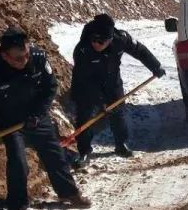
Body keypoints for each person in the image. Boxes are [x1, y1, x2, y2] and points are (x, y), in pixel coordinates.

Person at [0, 26, 89, 210]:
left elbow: (50, 87)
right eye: (18, 58)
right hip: (10, 121)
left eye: (26, 55)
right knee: (18, 161)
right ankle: (17, 205)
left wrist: (38, 114)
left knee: (54, 154)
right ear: (4, 55)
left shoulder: (38, 57)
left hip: (36, 116)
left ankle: (70, 193)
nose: (25, 60)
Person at [70, 13, 166, 167]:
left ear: (110, 39)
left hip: (111, 80)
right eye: (94, 39)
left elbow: (140, 50)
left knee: (117, 111)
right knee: (84, 116)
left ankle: (120, 144)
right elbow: (85, 80)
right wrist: (100, 101)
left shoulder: (121, 38)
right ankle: (84, 151)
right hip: (86, 85)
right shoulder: (82, 50)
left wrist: (155, 66)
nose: (96, 44)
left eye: (101, 41)